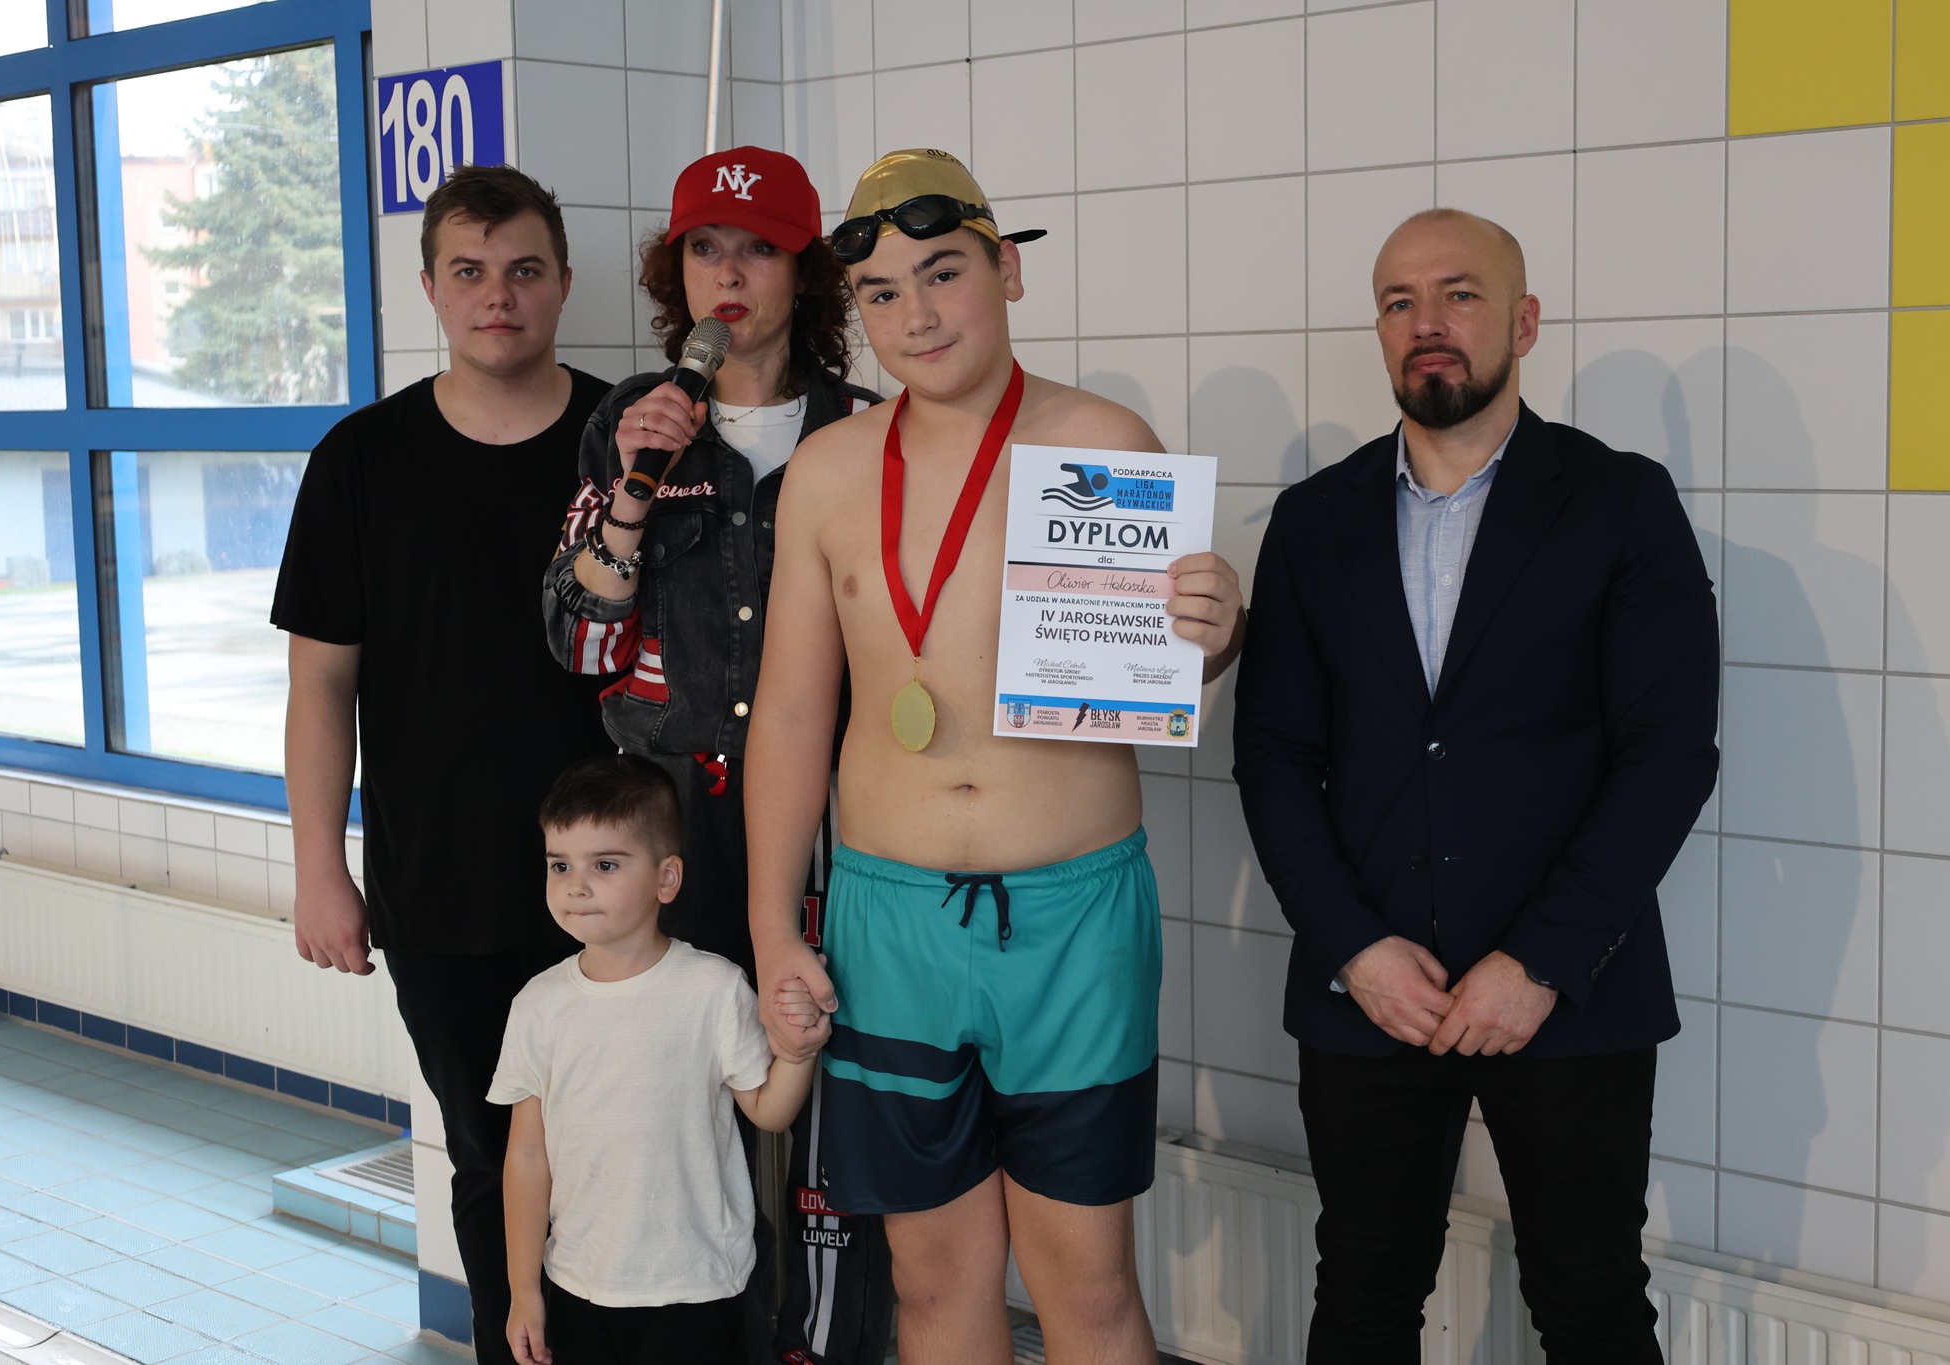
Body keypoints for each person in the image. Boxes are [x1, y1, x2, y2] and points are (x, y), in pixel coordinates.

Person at [744, 149, 1246, 1365]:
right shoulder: (827, 472)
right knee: (929, 1286)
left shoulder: (1099, 442)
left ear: (1006, 271)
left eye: (943, 273)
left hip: (1071, 917)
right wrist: (770, 928)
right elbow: (793, 717)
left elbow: (1149, 678)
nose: (915, 315)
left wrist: (1215, 637)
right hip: (888, 921)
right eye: (880, 293)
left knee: (1086, 1287)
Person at [1230, 208, 1720, 1364]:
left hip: (1569, 984)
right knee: (1360, 1294)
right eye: (1398, 302)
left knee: (1590, 1299)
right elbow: (1273, 757)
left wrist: (1539, 960)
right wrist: (1352, 947)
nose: (1426, 323)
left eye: (1458, 294)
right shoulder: (1312, 520)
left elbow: (1666, 755)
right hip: (1369, 988)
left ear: (1522, 321)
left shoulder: (1619, 502)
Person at [539, 145, 890, 1364]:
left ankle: (826, 1343)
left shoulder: (868, 430)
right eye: (704, 249)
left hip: (836, 821)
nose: (728, 274)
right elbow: (579, 645)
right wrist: (633, 490)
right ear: (674, 273)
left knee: (832, 1102)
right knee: (681, 1119)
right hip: (671, 828)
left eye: (757, 249)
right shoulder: (629, 424)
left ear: (807, 272)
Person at [272, 165, 613, 1364]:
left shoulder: (626, 445)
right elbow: (322, 686)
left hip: (620, 882)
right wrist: (321, 870)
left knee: (629, 1155)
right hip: (444, 887)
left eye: (522, 271)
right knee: (489, 1158)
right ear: (429, 288)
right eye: (468, 272)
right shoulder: (361, 460)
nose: (496, 297)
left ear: (562, 283)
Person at [493, 755, 824, 1365]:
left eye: (605, 865)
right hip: (579, 1283)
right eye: (560, 865)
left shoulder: (714, 988)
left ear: (666, 879)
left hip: (700, 1287)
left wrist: (799, 1050)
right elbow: (527, 1156)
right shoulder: (537, 1005)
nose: (576, 885)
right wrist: (523, 1289)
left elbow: (769, 1111)